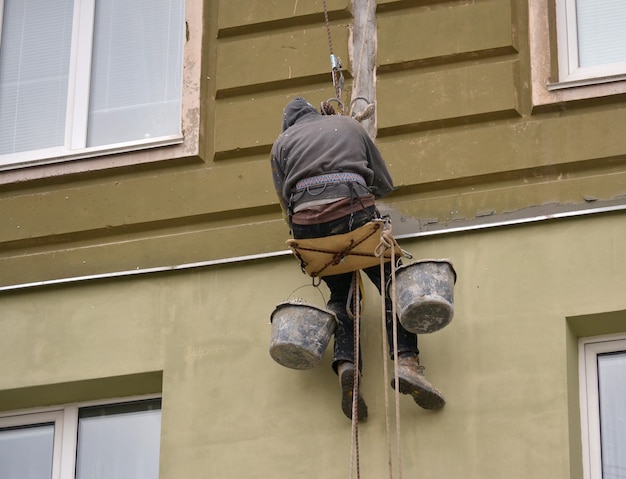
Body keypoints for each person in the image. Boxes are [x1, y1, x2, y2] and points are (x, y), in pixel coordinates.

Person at [270, 97, 445, 420]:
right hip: (353, 212)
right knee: (393, 283)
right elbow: (384, 183)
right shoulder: (349, 125)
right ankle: (406, 363)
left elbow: (285, 201)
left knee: (341, 296)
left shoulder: (281, 143)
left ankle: (347, 367)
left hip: (310, 230)